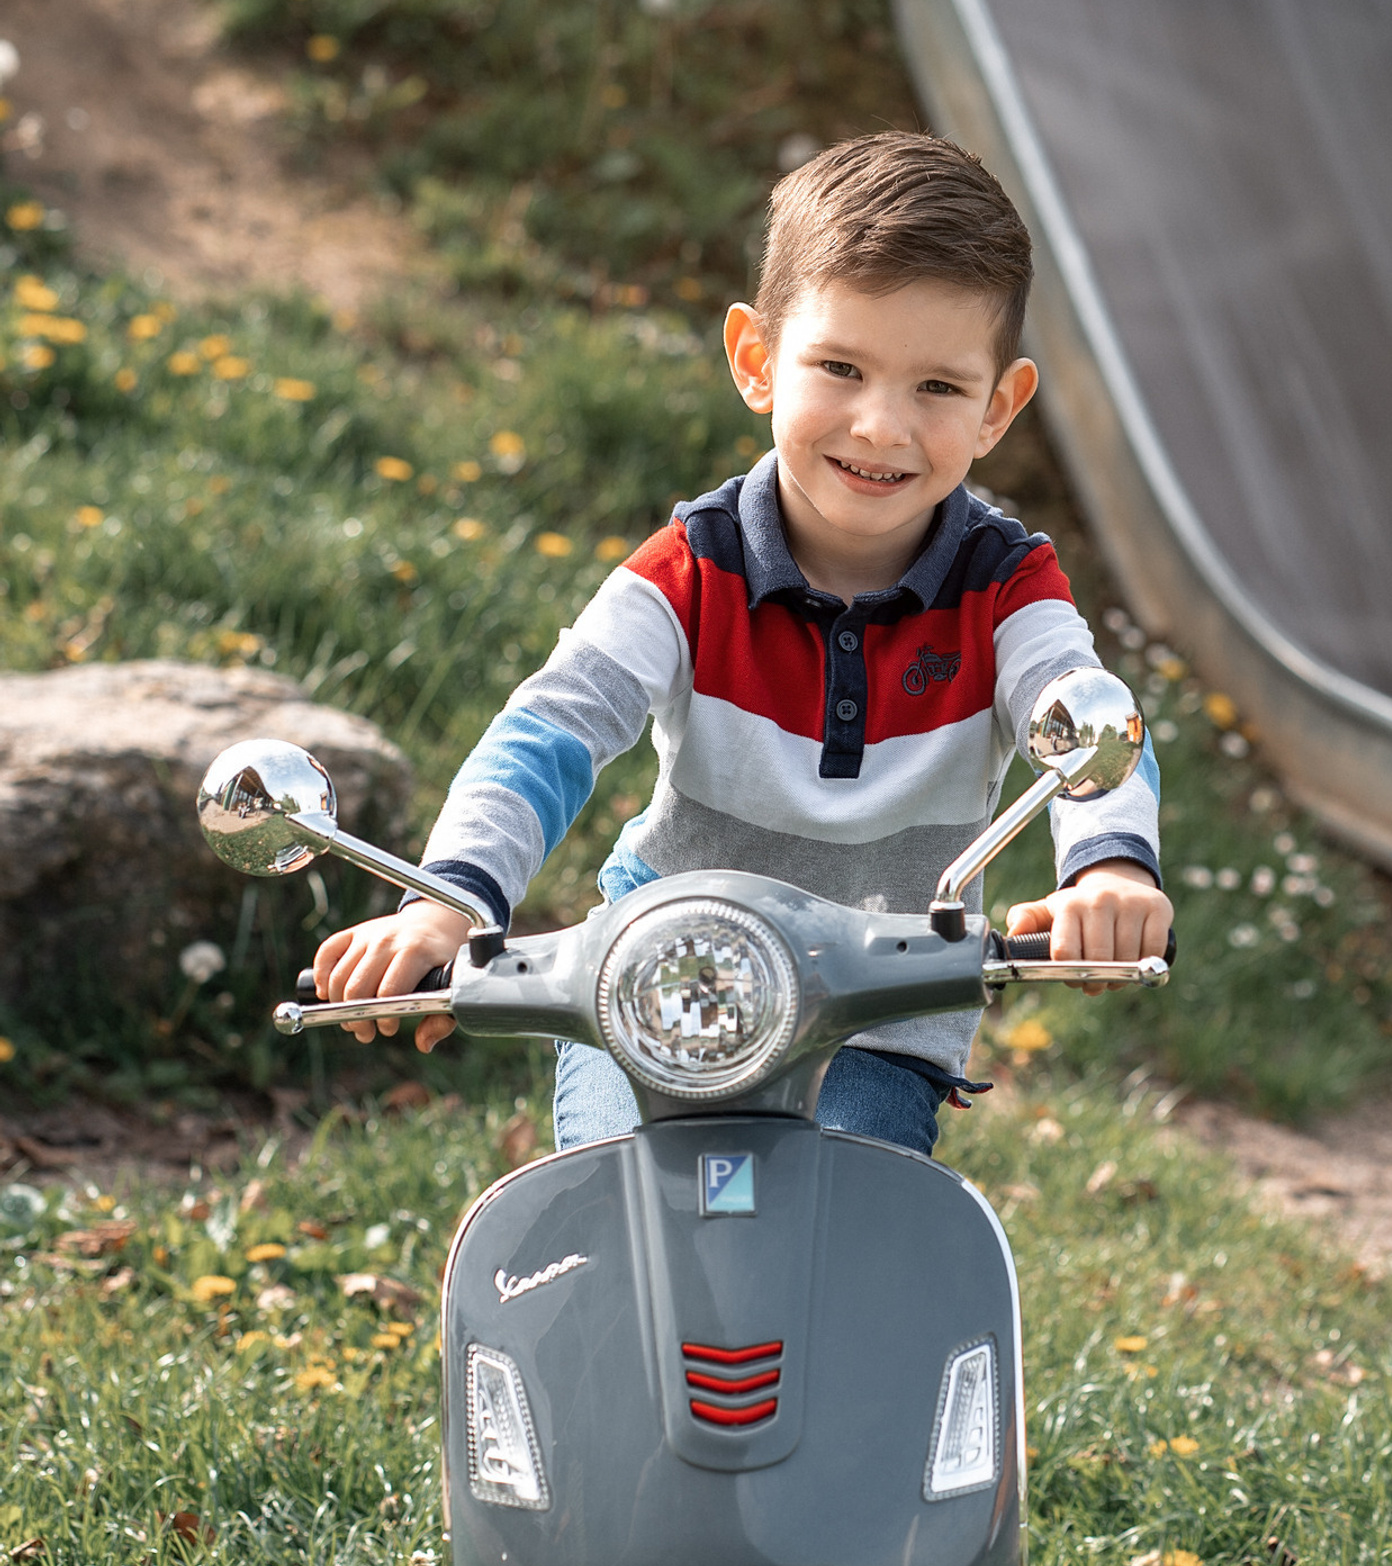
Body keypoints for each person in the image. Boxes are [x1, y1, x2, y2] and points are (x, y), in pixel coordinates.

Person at [312, 130, 1172, 1157]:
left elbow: (1085, 717)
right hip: (654, 983)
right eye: (840, 367)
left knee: (844, 1236)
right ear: (758, 362)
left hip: (877, 1016)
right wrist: (447, 904)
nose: (882, 425)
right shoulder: (688, 572)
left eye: (937, 388)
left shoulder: (1006, 588)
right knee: (620, 1214)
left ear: (998, 407)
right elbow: (550, 728)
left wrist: (1109, 870)